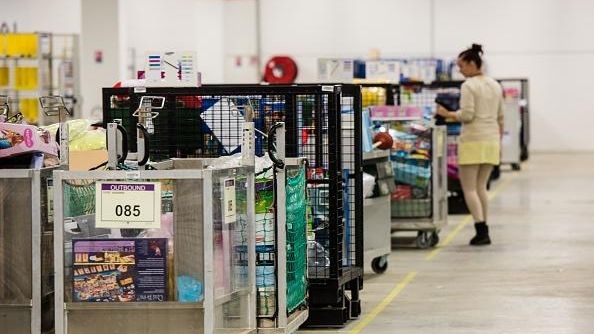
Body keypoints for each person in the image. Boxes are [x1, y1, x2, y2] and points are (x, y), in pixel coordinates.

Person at [436, 43, 504, 246]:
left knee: (469, 188)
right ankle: (485, 228)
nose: (460, 70)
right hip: (491, 139)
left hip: (473, 139)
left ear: (473, 64)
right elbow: (501, 117)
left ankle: (480, 230)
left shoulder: (468, 86)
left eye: (462, 66)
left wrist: (447, 114)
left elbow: (467, 114)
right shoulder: (495, 84)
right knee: (481, 186)